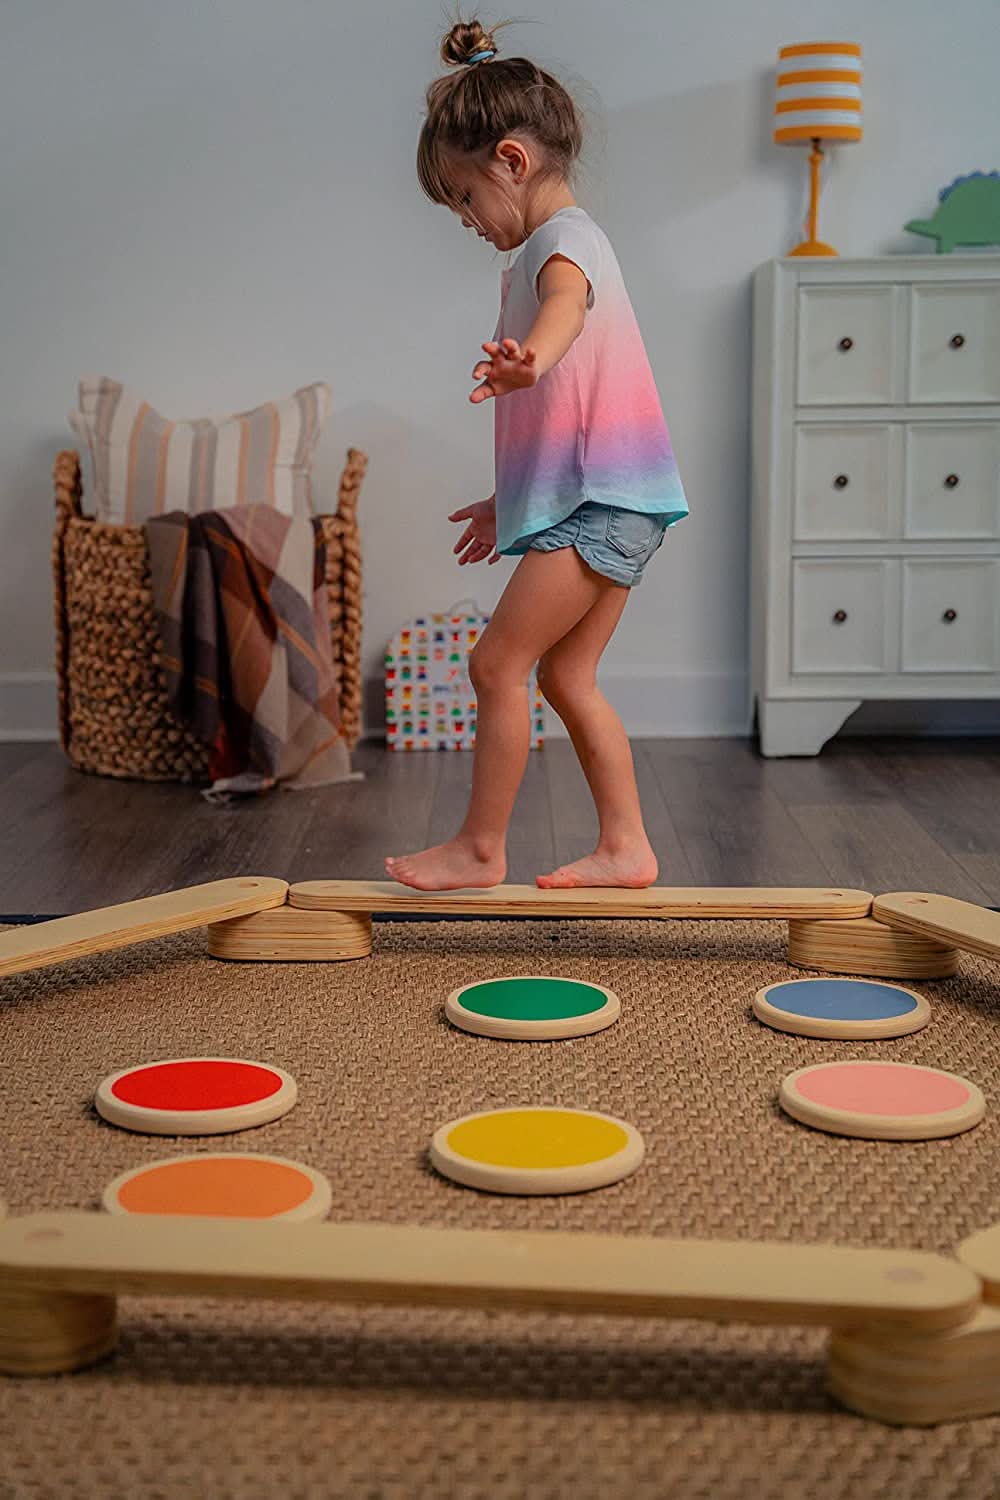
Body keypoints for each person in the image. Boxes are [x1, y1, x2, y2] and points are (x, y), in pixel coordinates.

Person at [385, 15, 688, 892]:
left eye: (466, 198)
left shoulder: (565, 244)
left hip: (605, 505)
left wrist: (534, 357)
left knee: (497, 665)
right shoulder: (542, 250)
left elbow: (566, 309)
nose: (469, 221)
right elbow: (568, 421)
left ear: (511, 162)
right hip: (613, 498)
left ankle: (480, 848)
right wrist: (507, 498)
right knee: (568, 675)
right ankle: (627, 847)